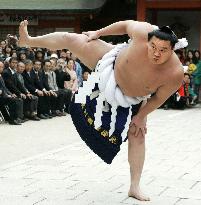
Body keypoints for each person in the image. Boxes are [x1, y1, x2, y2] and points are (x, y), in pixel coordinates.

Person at [18, 20, 185, 201]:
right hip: (109, 62)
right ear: (148, 40)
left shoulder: (174, 73)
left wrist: (141, 116)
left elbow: (158, 99)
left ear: (173, 49)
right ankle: (28, 40)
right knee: (72, 39)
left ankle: (134, 186)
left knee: (138, 134)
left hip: (133, 99)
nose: (156, 53)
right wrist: (98, 32)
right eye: (153, 47)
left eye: (163, 50)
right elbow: (125, 24)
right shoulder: (142, 31)